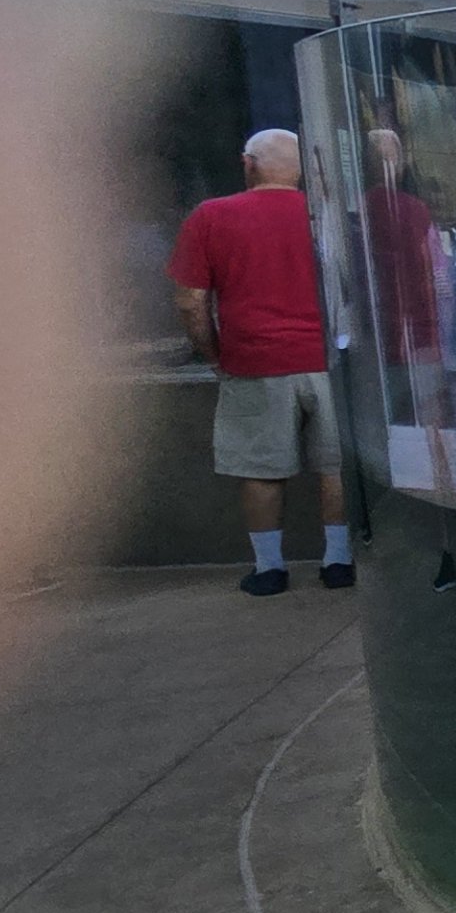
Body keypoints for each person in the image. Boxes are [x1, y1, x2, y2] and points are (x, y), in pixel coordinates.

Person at [168, 127, 350, 595]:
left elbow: (190, 301)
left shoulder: (211, 216)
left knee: (260, 471)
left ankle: (270, 569)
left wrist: (214, 355)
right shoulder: (326, 217)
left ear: (247, 164)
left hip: (254, 362)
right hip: (327, 362)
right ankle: (339, 561)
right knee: (336, 467)